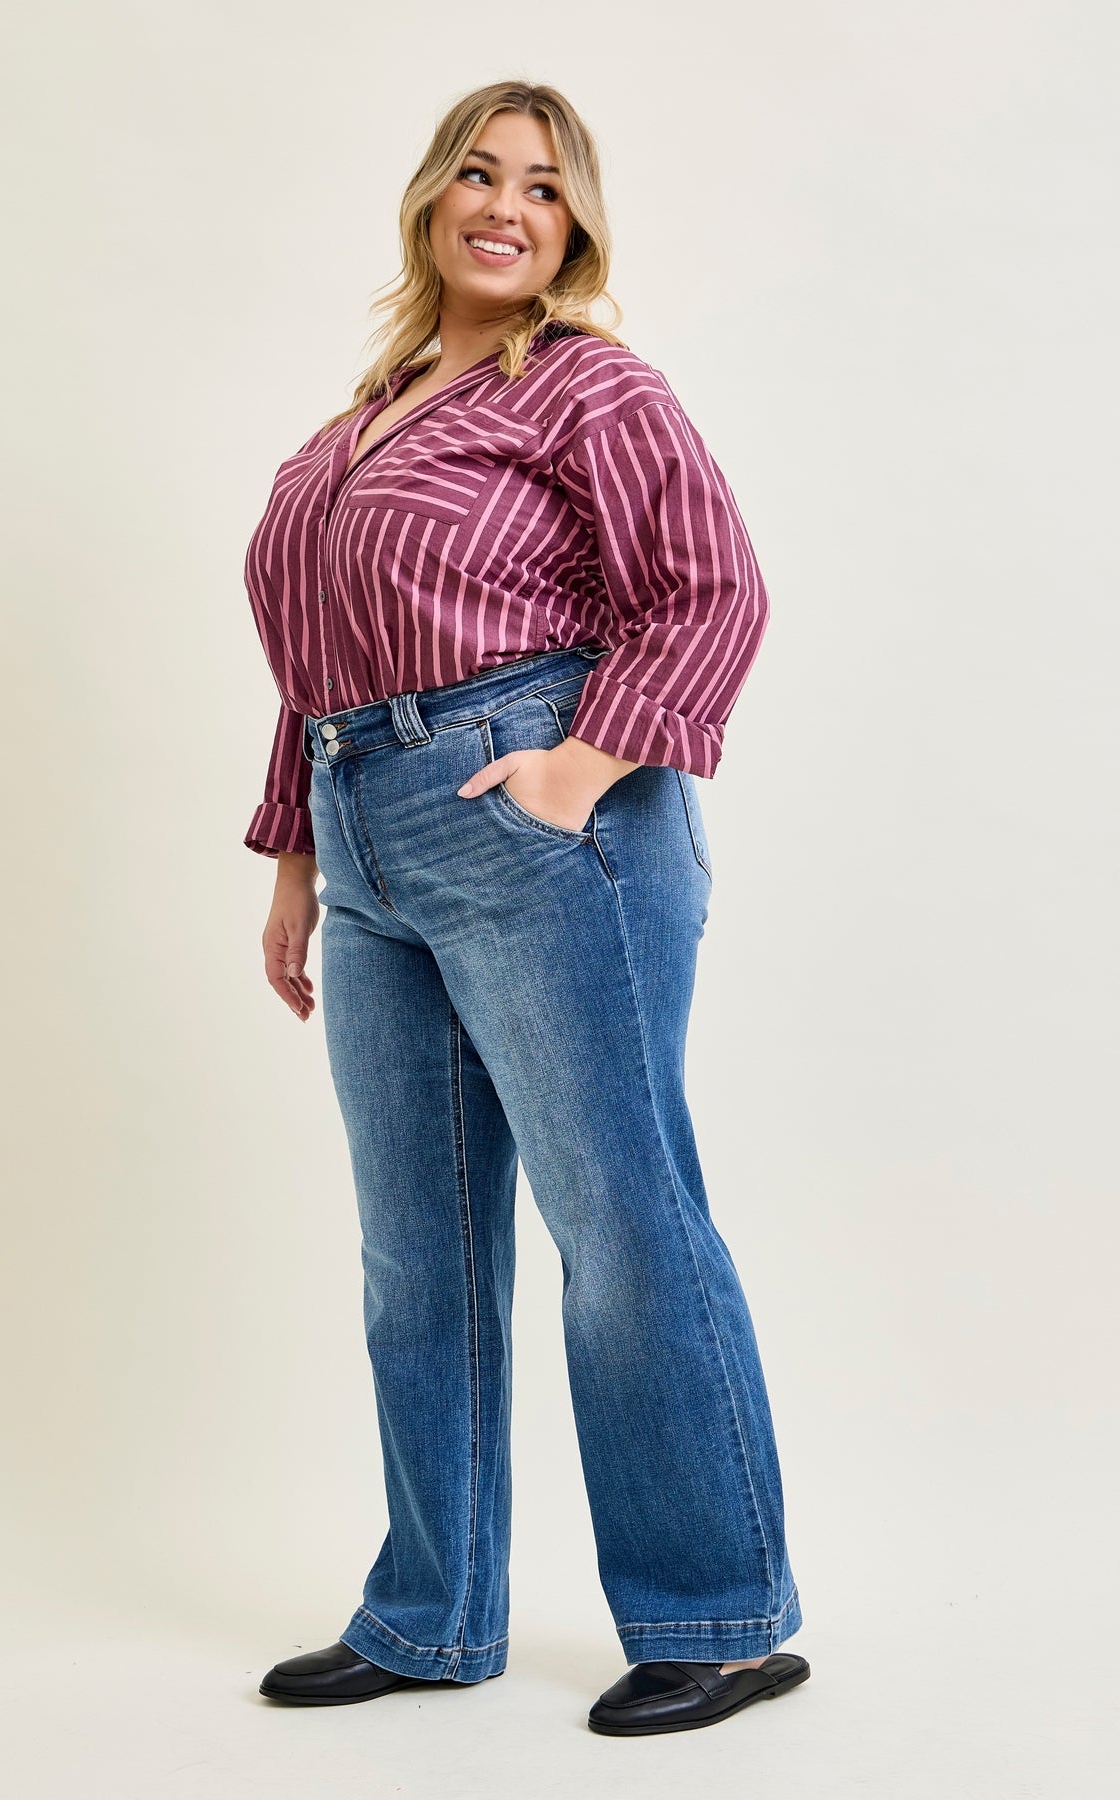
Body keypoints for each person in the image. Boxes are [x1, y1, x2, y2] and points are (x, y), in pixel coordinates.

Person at [245, 79, 809, 1737]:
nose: (506, 206)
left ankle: (715, 1615)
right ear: (431, 198)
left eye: (544, 188)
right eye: (480, 175)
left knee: (619, 1223)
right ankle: (430, 1615)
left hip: (539, 821)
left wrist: (577, 771)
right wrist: (296, 860)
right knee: (414, 1252)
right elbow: (314, 661)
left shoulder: (585, 384)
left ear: (574, 229)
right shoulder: (354, 424)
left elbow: (709, 586)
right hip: (364, 836)